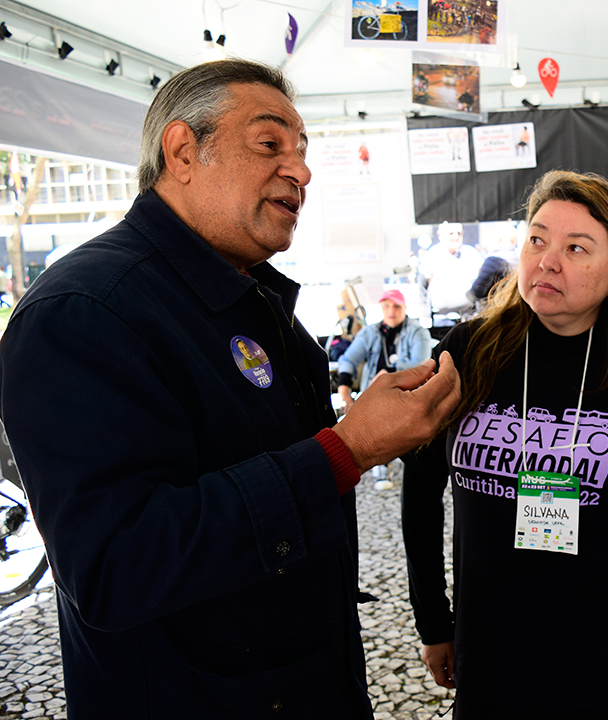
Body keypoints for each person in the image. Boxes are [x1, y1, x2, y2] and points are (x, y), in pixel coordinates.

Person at [0, 59, 460, 719]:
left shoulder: (248, 297)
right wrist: (346, 451)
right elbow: (112, 567)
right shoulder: (86, 310)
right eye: (270, 144)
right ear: (183, 151)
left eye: (303, 151)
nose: (301, 172)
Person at [402, 170, 608, 719]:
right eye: (537, 239)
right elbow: (419, 489)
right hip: (489, 663)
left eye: (576, 248)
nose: (547, 261)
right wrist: (433, 620)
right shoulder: (469, 352)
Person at [336, 288, 433, 487]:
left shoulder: (418, 332)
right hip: (372, 393)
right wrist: (344, 387)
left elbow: (422, 365)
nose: (391, 311)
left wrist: (389, 373)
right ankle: (379, 464)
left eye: (396, 306)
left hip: (407, 393)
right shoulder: (370, 332)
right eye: (386, 306)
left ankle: (397, 463)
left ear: (404, 307)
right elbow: (349, 359)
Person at [420, 220, 484, 318]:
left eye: (459, 233)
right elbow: (422, 287)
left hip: (468, 315)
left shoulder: (472, 254)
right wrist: (424, 316)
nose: (456, 236)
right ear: (440, 235)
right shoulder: (431, 256)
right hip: (440, 318)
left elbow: (481, 284)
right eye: (451, 233)